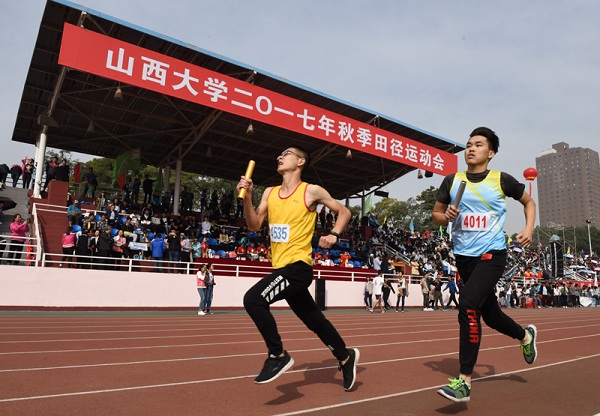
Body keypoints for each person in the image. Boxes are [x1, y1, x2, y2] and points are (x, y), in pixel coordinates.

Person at [237, 145, 359, 391]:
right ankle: (345, 356)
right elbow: (253, 225)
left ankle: (277, 355)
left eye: (287, 153)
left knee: (253, 300)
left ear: (301, 161)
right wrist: (248, 198)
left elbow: (344, 211)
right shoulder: (269, 193)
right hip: (281, 267)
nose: (279, 156)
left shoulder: (310, 190)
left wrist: (334, 234)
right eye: (279, 153)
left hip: (298, 267)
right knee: (314, 320)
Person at [432, 127, 537, 403]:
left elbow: (528, 201)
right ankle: (525, 336)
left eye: (478, 145)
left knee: (467, 303)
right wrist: (447, 216)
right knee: (490, 315)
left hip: (492, 254)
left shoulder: (500, 179)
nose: (470, 148)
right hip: (464, 258)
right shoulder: (452, 181)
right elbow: (437, 215)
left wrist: (528, 228)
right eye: (468, 144)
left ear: (490, 153)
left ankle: (464, 381)